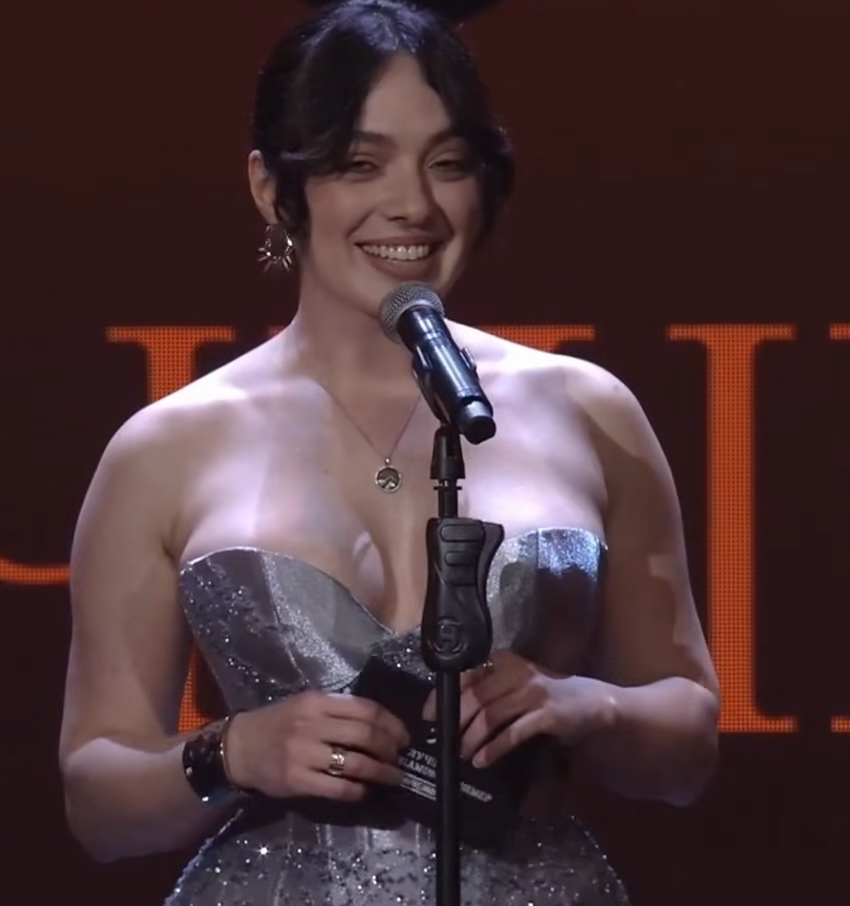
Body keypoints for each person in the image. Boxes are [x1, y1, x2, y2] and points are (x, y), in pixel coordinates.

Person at [58, 1, 721, 903]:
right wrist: (231, 752)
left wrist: (587, 706)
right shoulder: (167, 447)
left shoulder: (588, 411)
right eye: (359, 164)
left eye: (447, 164)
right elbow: (97, 803)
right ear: (272, 187)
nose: (413, 205)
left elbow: (686, 749)